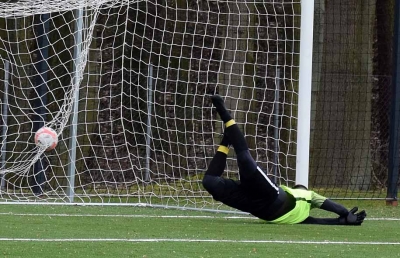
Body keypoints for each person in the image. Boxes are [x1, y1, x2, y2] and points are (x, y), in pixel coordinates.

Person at [202, 95, 367, 225]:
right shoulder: (302, 197)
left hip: (260, 207)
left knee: (209, 181)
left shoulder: (304, 197)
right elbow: (323, 211)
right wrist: (344, 216)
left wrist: (343, 218)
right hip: (269, 197)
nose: (299, 187)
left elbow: (321, 215)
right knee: (244, 160)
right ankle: (225, 118)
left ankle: (227, 137)